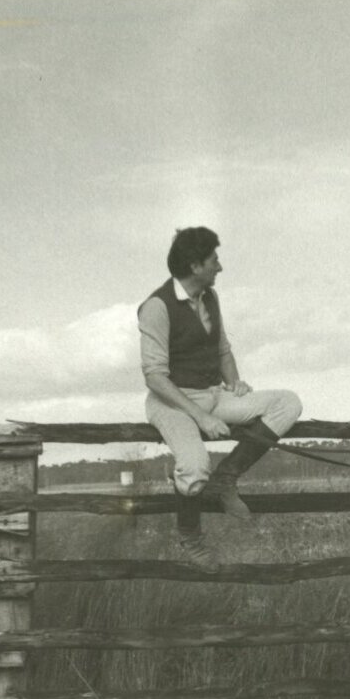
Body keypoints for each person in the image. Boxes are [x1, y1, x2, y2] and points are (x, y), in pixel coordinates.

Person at [138, 227, 302, 571]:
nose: (220, 267)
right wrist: (201, 417)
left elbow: (223, 350)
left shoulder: (209, 296)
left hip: (214, 395)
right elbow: (154, 377)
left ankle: (225, 479)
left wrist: (235, 382)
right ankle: (191, 538)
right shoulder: (156, 306)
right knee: (194, 467)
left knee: (287, 403)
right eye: (214, 260)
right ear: (195, 266)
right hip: (172, 403)